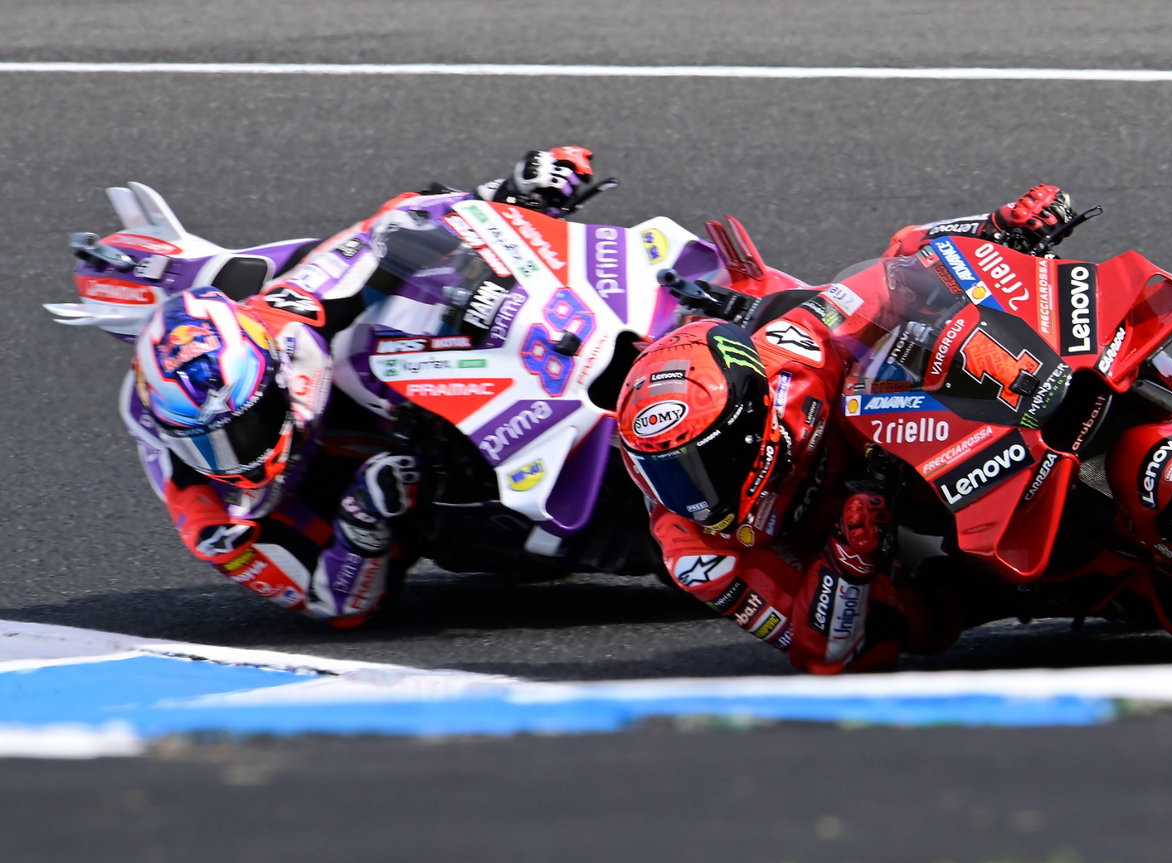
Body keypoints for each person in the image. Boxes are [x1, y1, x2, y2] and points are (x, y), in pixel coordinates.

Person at [615, 185, 1075, 673]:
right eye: (663, 472)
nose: (691, 496)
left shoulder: (790, 353)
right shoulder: (694, 553)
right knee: (903, 628)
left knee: (938, 310)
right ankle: (1022, 592)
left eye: (700, 466)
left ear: (751, 419)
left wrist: (998, 229)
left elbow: (899, 265)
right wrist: (847, 563)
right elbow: (821, 653)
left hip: (913, 438)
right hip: (870, 538)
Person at [131, 147, 599, 626]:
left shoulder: (286, 324)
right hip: (349, 498)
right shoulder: (214, 522)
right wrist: (363, 520)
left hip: (360, 386)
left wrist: (507, 195)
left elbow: (391, 226)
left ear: (272, 372)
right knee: (510, 549)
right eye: (209, 446)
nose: (238, 457)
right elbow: (331, 603)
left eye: (247, 428)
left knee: (421, 279)